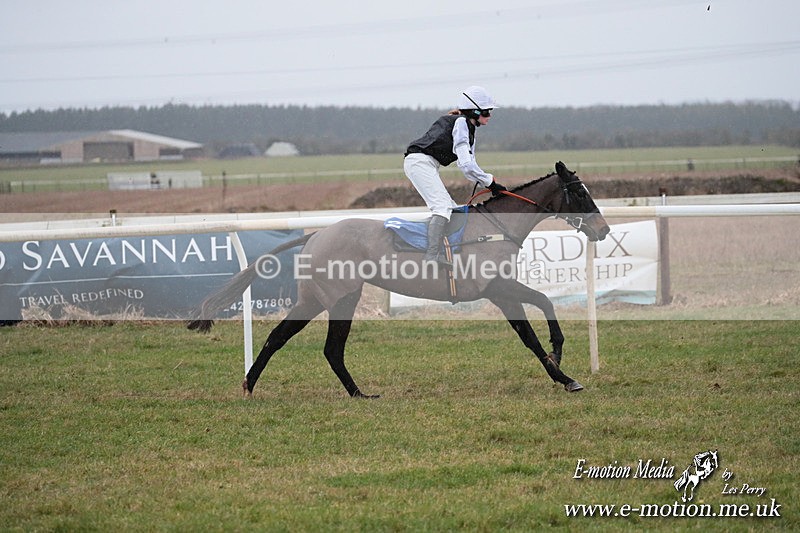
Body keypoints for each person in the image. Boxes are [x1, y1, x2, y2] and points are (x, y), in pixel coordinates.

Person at [404, 86, 507, 264]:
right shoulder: (461, 123)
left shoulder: (467, 126)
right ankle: (432, 256)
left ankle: (447, 251)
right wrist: (489, 182)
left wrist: (487, 183)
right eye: (486, 112)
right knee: (443, 208)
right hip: (419, 163)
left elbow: (468, 165)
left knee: (452, 210)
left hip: (425, 164)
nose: (489, 116)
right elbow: (467, 165)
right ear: (473, 111)